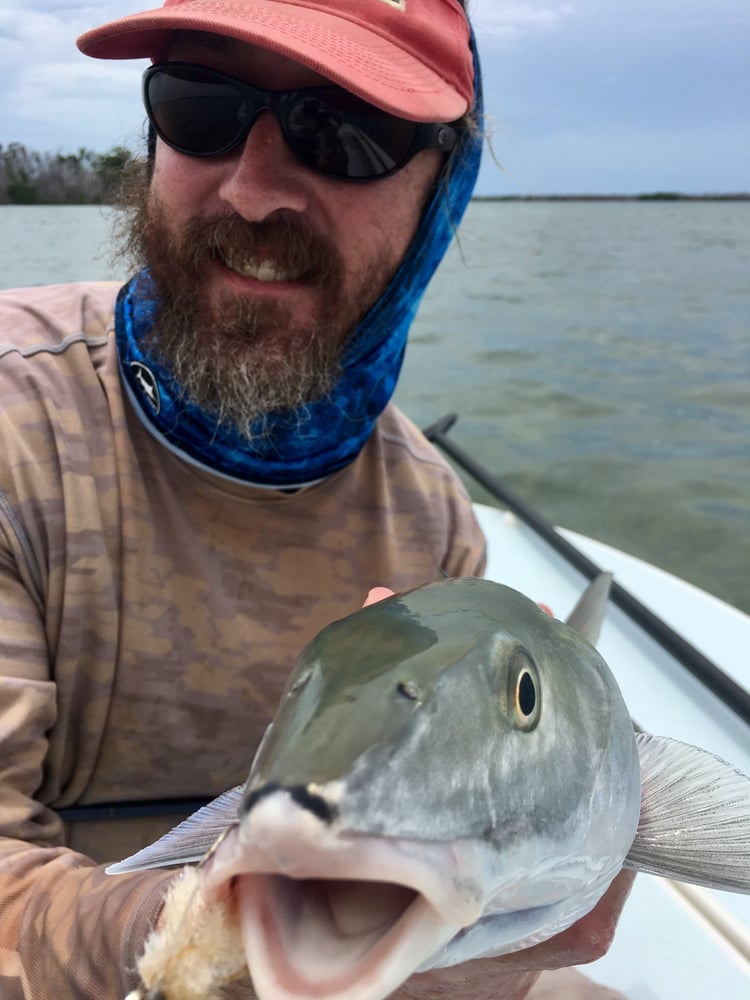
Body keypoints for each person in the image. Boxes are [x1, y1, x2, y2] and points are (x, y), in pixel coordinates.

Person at [0, 1, 632, 997]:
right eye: (200, 106)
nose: (252, 193)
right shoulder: (15, 428)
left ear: (442, 194)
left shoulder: (432, 520)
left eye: (345, 132)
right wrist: (216, 934)